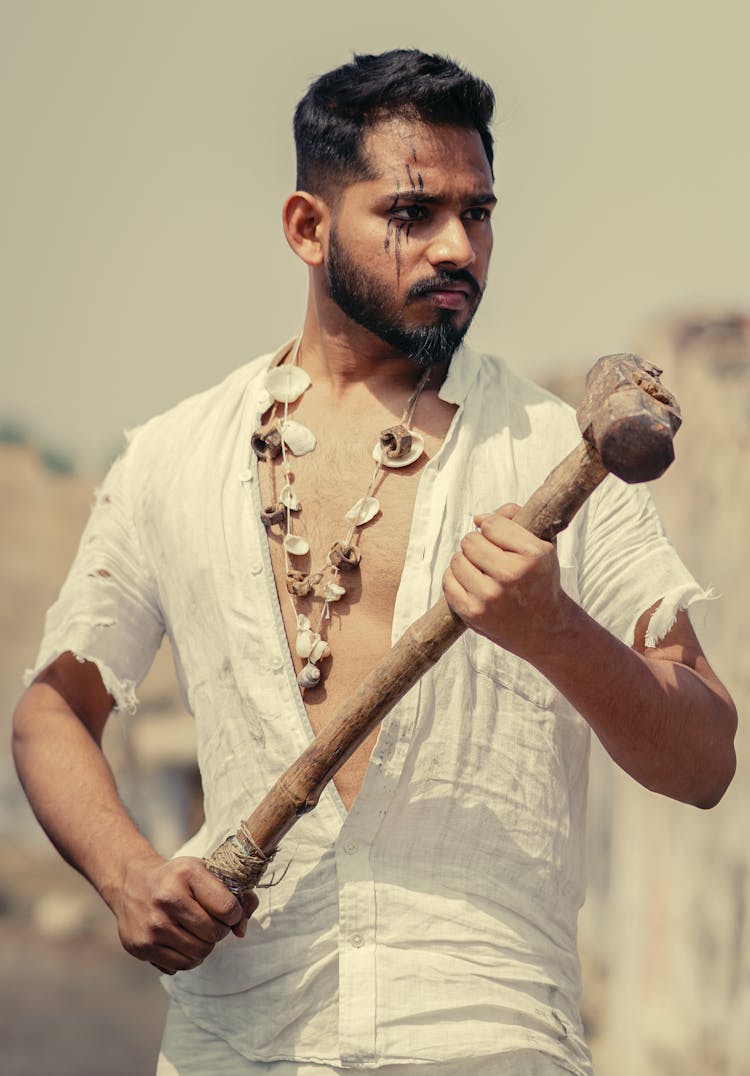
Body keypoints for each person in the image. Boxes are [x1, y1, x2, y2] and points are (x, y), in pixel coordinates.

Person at [13, 49, 736, 1076]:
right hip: (236, 1040)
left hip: (487, 1038)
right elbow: (51, 707)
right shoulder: (172, 458)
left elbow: (706, 754)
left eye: (478, 213)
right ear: (308, 228)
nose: (459, 247)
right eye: (413, 212)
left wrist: (559, 635)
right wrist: (128, 872)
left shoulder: (552, 452)